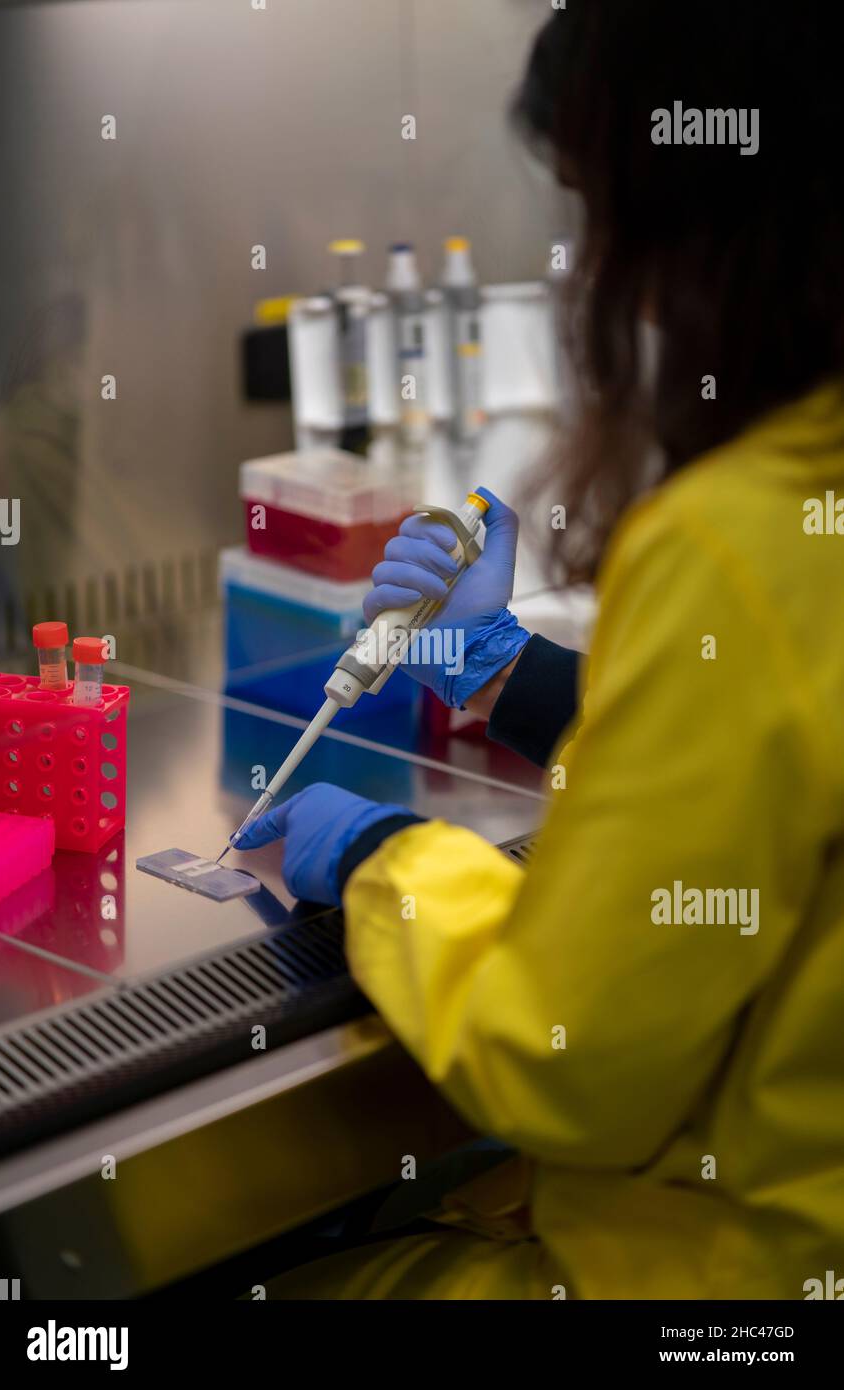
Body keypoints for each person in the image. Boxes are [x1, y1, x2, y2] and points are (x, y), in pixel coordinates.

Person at [238, 1, 844, 1299]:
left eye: (595, 212)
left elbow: (566, 1064)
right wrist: (509, 669)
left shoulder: (743, 536)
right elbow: (780, 767)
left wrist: (385, 863)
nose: (588, 268)